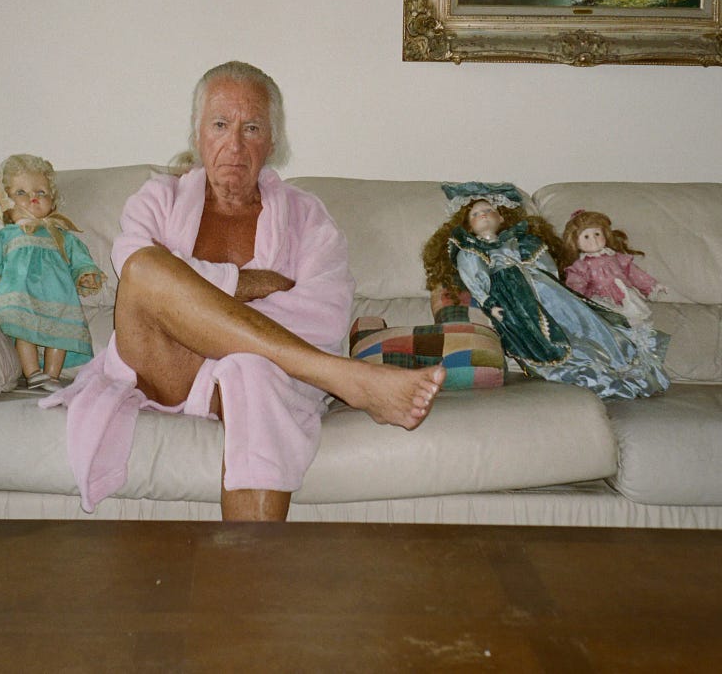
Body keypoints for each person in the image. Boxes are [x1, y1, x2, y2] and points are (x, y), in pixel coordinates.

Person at [40, 60, 445, 521]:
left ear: (273, 143)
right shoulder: (159, 198)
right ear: (197, 135)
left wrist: (199, 315)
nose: (233, 145)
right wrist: (246, 284)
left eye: (251, 127)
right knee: (146, 270)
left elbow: (325, 315)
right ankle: (342, 378)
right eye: (219, 124)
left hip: (262, 374)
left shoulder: (307, 217)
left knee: (250, 369)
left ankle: (247, 576)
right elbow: (138, 278)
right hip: (159, 364)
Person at [422, 183, 668, 401]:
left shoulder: (519, 240)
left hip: (544, 288)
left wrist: (540, 275)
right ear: (467, 224)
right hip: (513, 297)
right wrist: (488, 302)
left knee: (581, 319)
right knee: (546, 336)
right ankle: (582, 361)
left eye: (488, 210)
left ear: (501, 217)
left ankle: (616, 356)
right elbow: (474, 276)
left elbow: (546, 265)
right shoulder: (471, 249)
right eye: (476, 214)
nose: (483, 214)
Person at [0, 154, 104, 390]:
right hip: (18, 292)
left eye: (41, 192)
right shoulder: (2, 236)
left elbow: (80, 259)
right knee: (24, 329)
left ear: (52, 201)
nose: (33, 197)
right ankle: (32, 372)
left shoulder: (61, 236)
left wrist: (85, 274)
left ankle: (52, 375)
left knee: (60, 332)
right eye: (21, 192)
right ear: (5, 201)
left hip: (57, 296)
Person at [560, 209, 667, 328]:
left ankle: (634, 334)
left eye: (597, 234)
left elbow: (633, 273)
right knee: (607, 323)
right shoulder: (581, 265)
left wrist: (651, 285)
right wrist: (576, 302)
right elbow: (576, 284)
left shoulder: (615, 257)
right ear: (575, 242)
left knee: (634, 320)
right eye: (586, 236)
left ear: (605, 234)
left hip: (624, 296)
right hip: (601, 300)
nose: (594, 240)